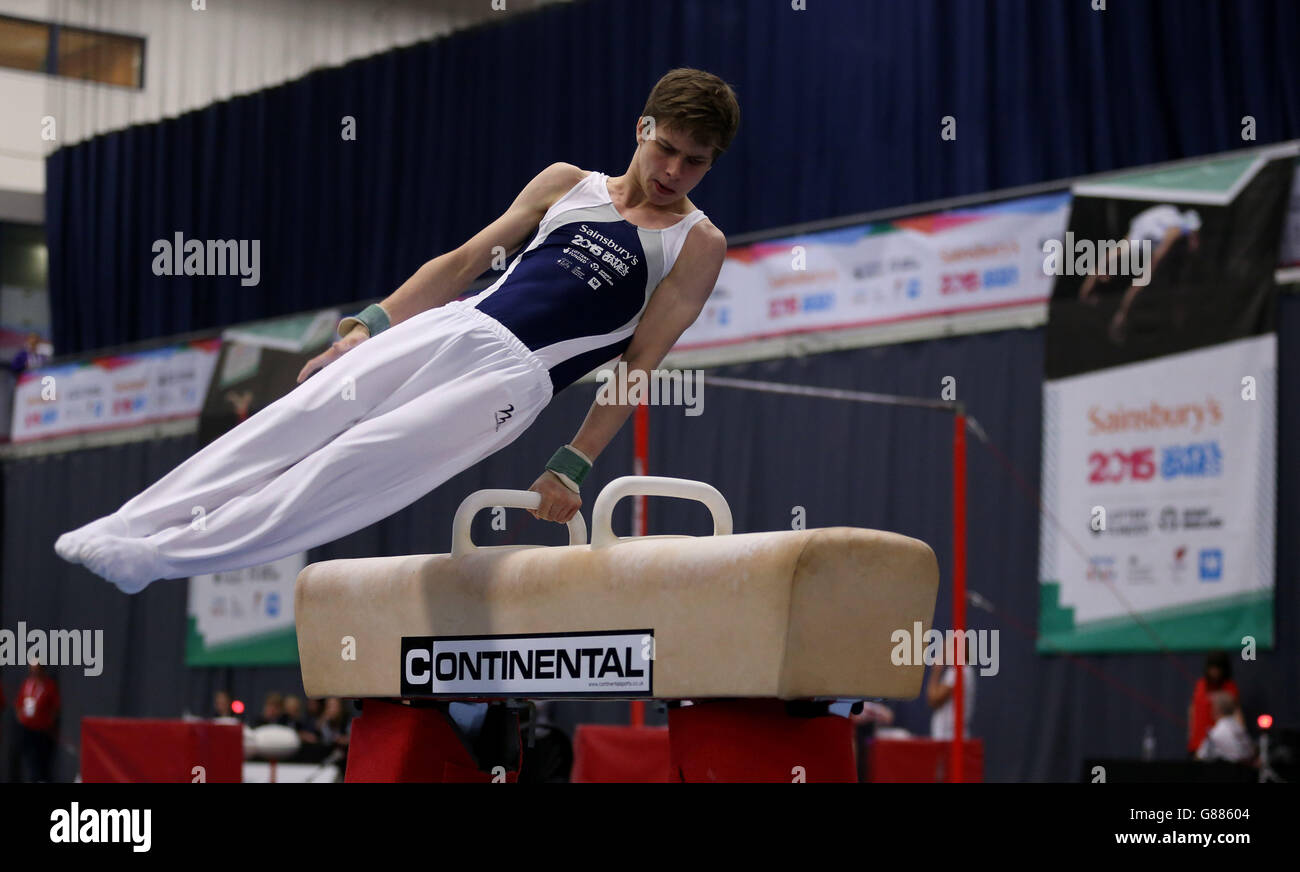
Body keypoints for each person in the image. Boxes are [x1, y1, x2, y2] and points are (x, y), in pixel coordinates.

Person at [54, 68, 738, 594]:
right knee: (299, 415)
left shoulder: (697, 243)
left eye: (696, 161)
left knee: (350, 467)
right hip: (456, 322)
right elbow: (466, 262)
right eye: (668, 149)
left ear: (712, 162)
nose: (674, 172)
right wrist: (364, 329)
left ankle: (159, 558)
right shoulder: (569, 182)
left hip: (511, 380)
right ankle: (129, 524)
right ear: (642, 128)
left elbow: (640, 360)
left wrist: (573, 463)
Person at [15, 659, 60, 782]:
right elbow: (19, 703)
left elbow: (55, 708)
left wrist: (48, 723)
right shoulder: (27, 683)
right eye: (32, 668)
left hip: (42, 730)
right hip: (26, 728)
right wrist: (21, 716)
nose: (33, 671)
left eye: (36, 668)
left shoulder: (49, 685)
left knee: (42, 761)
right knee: (30, 761)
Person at [1187, 650, 1239, 757]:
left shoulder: (1230, 688)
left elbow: (1237, 714)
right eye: (1212, 668)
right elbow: (1192, 711)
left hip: (1218, 750)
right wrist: (1191, 735)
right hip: (1197, 744)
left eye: (1218, 668)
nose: (1214, 672)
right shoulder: (1200, 685)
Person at [1195, 691, 1254, 764]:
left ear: (1217, 709)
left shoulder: (1217, 731)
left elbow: (1200, 756)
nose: (1211, 710)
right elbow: (1251, 751)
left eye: (1212, 707)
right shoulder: (1239, 727)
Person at [927, 664, 975, 741]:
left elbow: (934, 699)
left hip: (950, 738)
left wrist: (936, 672)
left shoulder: (960, 671)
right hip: (947, 736)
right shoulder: (956, 671)